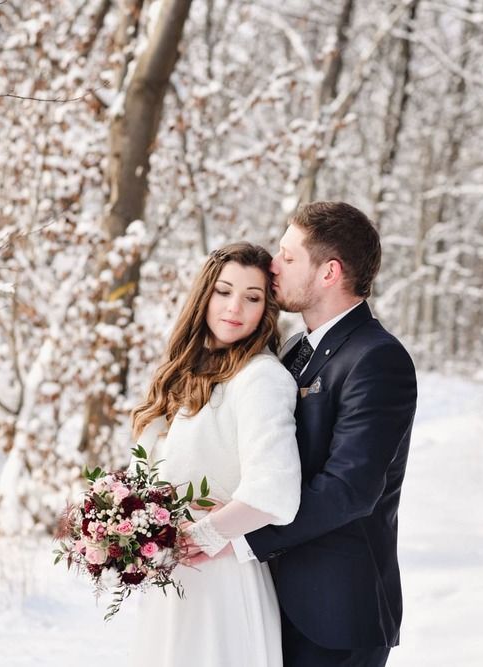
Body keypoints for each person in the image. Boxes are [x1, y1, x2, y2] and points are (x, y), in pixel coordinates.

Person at [235, 201, 418, 667]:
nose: (272, 266)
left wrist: (240, 537)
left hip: (335, 616)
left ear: (329, 272)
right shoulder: (298, 347)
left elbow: (349, 489)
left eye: (288, 256)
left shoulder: (377, 358)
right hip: (281, 604)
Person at [127, 242, 301, 667]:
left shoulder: (261, 378)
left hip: (220, 581)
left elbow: (275, 491)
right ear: (204, 294)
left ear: (267, 308)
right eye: (224, 291)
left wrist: (203, 535)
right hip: (171, 578)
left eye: (252, 297)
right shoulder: (182, 372)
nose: (234, 307)